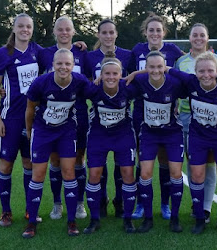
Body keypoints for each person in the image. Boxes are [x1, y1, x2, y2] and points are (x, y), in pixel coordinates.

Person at [22, 48, 93, 238]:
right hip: (43, 131)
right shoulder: (41, 83)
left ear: (73, 66)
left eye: (67, 64)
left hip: (66, 131)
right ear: (53, 65)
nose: (63, 67)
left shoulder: (79, 81)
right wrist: (29, 131)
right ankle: (31, 222)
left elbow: (95, 92)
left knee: (69, 172)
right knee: (38, 174)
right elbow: (30, 109)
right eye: (59, 63)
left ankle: (71, 221)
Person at [169, 51, 217, 234]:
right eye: (201, 71)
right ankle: (199, 218)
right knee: (197, 175)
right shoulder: (191, 82)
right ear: (195, 72)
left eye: (210, 71)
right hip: (197, 136)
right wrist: (135, 74)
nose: (206, 75)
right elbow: (166, 69)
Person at [128, 12, 183, 220]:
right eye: (151, 30)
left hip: (167, 112)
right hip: (142, 113)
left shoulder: (172, 50)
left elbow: (185, 67)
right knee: (143, 159)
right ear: (145, 32)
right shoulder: (137, 50)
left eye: (158, 30)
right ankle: (141, 204)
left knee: (164, 160)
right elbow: (131, 77)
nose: (154, 33)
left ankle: (165, 204)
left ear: (164, 33)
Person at [38, 16, 88, 220]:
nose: (64, 32)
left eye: (68, 29)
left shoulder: (83, 53)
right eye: (60, 29)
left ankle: (79, 203)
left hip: (79, 115)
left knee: (78, 159)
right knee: (56, 160)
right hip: (52, 117)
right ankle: (57, 203)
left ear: (74, 31)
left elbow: (91, 81)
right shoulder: (44, 54)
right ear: (54, 31)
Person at [0, 13, 42, 227]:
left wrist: (78, 44)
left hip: (32, 119)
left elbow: (62, 54)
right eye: (21, 26)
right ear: (13, 29)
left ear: (32, 30)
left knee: (29, 163)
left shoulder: (37, 51)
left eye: (29, 27)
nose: (25, 30)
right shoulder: (3, 53)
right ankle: (6, 211)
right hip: (10, 118)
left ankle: (28, 209)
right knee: (5, 165)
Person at [83, 52, 137, 234]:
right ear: (101, 75)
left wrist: (136, 73)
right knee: (95, 174)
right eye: (107, 74)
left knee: (128, 173)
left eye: (115, 74)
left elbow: (155, 73)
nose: (111, 77)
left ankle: (128, 219)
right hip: (99, 135)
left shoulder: (128, 87)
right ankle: (94, 218)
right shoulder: (93, 89)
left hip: (123, 134)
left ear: (121, 74)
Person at [84, 19, 131, 218]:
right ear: (98, 35)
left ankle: (120, 202)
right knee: (98, 166)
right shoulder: (88, 56)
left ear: (116, 34)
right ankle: (101, 201)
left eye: (111, 32)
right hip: (98, 119)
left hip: (122, 119)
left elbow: (142, 77)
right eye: (104, 32)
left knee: (123, 166)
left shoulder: (128, 55)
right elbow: (83, 83)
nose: (108, 36)